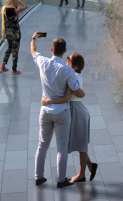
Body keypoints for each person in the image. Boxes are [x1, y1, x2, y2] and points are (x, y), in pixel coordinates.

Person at [31, 32, 85, 189]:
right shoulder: (67, 71)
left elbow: (33, 51)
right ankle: (61, 180)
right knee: (61, 147)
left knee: (42, 145)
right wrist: (82, 92)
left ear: (51, 50)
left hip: (45, 111)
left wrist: (33, 38)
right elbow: (77, 91)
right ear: (65, 51)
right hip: (62, 113)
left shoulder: (43, 62)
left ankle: (38, 177)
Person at [42, 53, 98, 182]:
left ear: (74, 65)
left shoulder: (72, 77)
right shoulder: (75, 75)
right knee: (79, 143)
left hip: (77, 111)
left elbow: (66, 98)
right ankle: (90, 166)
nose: (66, 60)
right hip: (77, 109)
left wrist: (49, 101)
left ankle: (81, 175)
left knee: (81, 145)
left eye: (69, 59)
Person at [0, 0, 27, 75]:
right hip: (15, 34)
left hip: (8, 33)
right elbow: (25, 6)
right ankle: (14, 70)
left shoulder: (4, 10)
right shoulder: (16, 10)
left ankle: (3, 65)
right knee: (15, 51)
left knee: (9, 48)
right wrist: (19, 0)